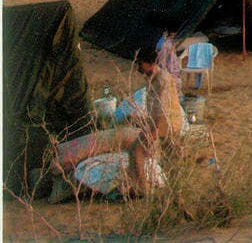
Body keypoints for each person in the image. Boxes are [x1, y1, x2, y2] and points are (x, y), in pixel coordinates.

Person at [50, 47, 183, 198]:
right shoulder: (154, 79)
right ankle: (148, 187)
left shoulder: (162, 80)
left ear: (149, 63)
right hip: (159, 124)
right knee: (157, 155)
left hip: (165, 125)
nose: (138, 68)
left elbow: (163, 110)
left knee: (137, 150)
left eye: (140, 64)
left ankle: (143, 189)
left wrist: (153, 132)